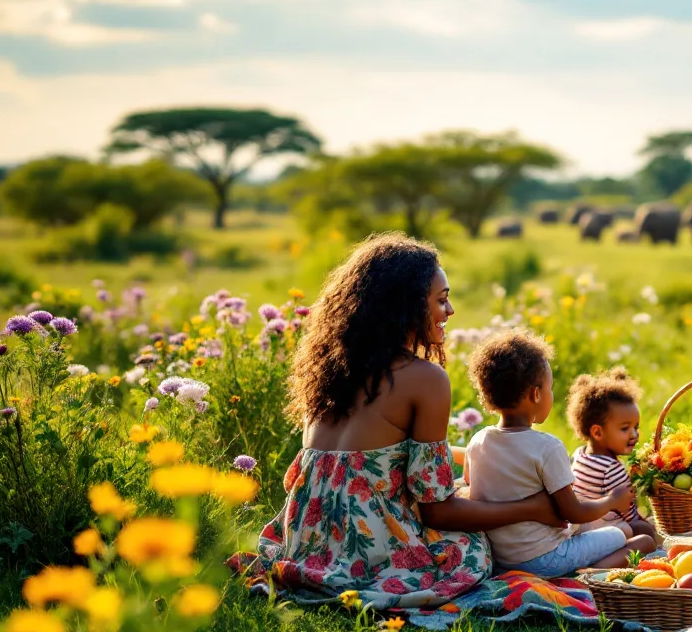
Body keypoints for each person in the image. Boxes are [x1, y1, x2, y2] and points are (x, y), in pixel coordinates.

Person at [227, 233, 567, 610]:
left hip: (308, 540)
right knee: (470, 549)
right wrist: (532, 507)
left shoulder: (330, 371)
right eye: (441, 300)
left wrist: (487, 453)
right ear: (405, 305)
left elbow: (371, 459)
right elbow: (438, 510)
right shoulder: (424, 378)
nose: (451, 310)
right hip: (369, 549)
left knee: (463, 491)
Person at [463, 329, 654, 578]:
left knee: (592, 531)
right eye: (550, 388)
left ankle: (583, 565)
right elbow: (573, 513)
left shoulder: (478, 440)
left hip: (503, 557)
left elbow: (469, 481)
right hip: (548, 559)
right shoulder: (547, 447)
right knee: (636, 537)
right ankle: (587, 576)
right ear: (536, 394)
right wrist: (612, 500)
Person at [565, 368, 657, 546]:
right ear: (597, 432)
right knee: (645, 531)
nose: (634, 435)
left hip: (580, 529)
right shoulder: (612, 469)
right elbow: (629, 515)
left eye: (636, 427)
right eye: (625, 428)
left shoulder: (579, 454)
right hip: (602, 532)